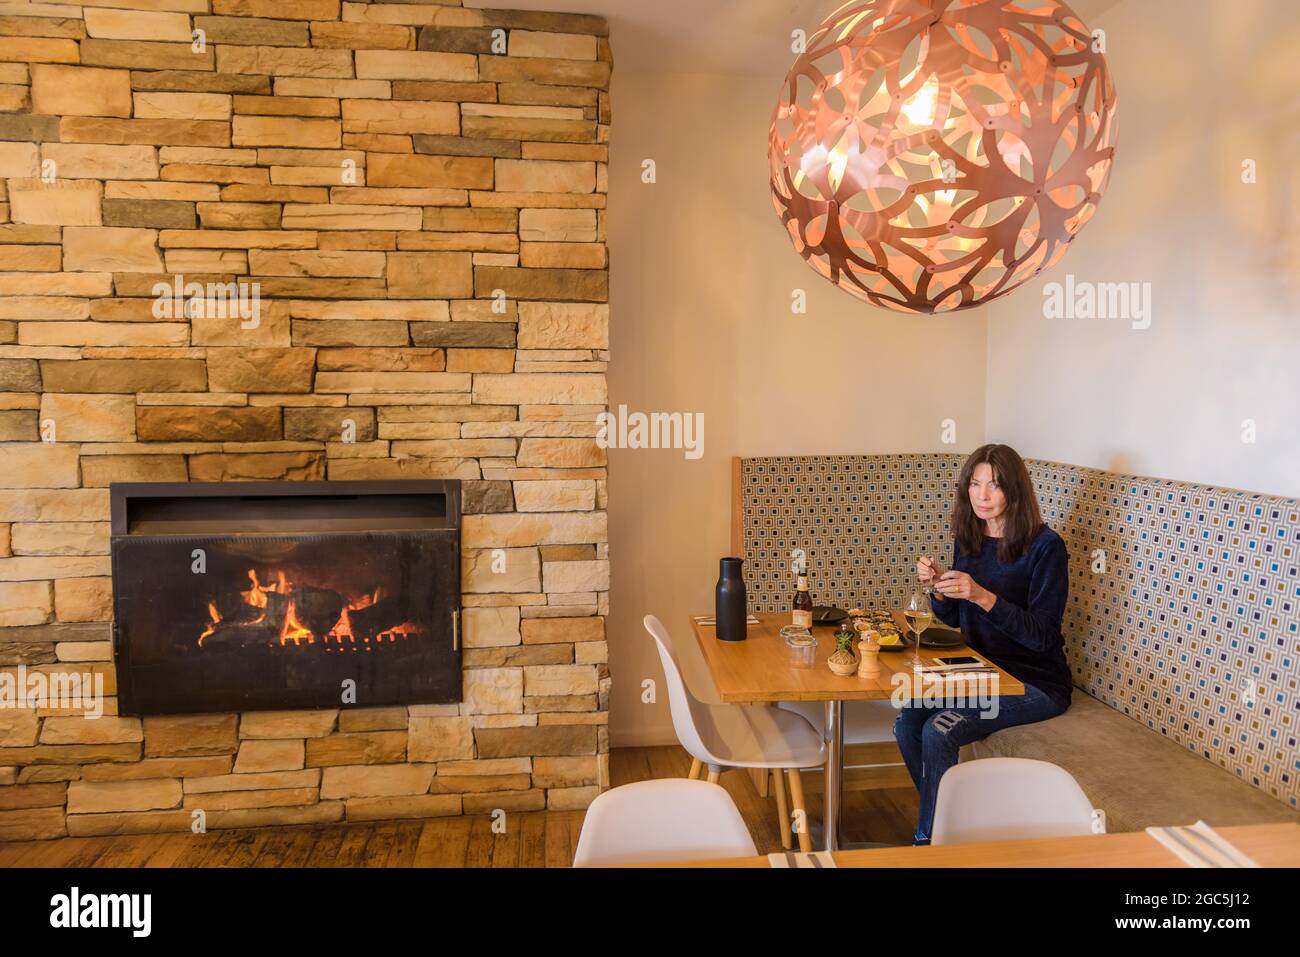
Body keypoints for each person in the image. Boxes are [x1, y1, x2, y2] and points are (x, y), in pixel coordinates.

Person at [894, 443, 1073, 845]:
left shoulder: (1045, 548)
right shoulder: (969, 538)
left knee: (939, 730)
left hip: (1035, 681)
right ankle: (953, 826)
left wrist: (982, 595)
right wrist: (941, 590)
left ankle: (929, 845)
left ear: (1015, 490)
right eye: (975, 484)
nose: (982, 495)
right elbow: (959, 621)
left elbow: (1043, 635)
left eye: (993, 486)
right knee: (907, 722)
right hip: (980, 671)